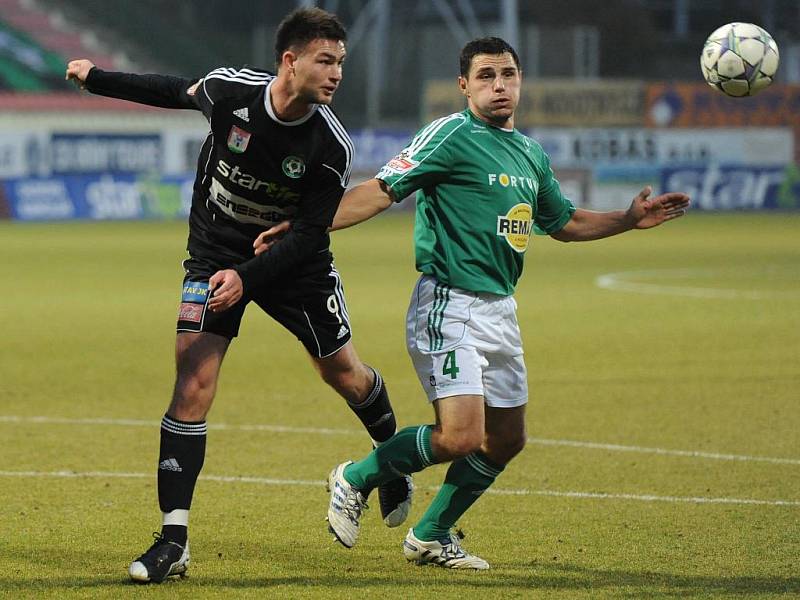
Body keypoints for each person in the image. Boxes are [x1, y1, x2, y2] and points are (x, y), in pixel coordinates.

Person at [258, 36, 689, 569]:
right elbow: (379, 190)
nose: (499, 85)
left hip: (501, 310)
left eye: (507, 74)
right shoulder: (451, 135)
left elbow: (566, 223)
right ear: (464, 86)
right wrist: (305, 229)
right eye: (485, 76)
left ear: (521, 80)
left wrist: (626, 220)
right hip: (449, 305)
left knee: (506, 439)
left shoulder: (530, 154)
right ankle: (355, 476)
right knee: (462, 436)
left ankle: (432, 534)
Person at [65, 7, 412, 584]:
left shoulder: (330, 144)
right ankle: (173, 541)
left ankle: (391, 461)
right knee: (192, 383)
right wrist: (97, 77)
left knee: (344, 374)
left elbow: (307, 235)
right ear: (290, 60)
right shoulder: (231, 92)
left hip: (293, 266)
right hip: (213, 253)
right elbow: (175, 91)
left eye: (342, 64)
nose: (336, 74)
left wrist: (249, 279)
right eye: (325, 61)